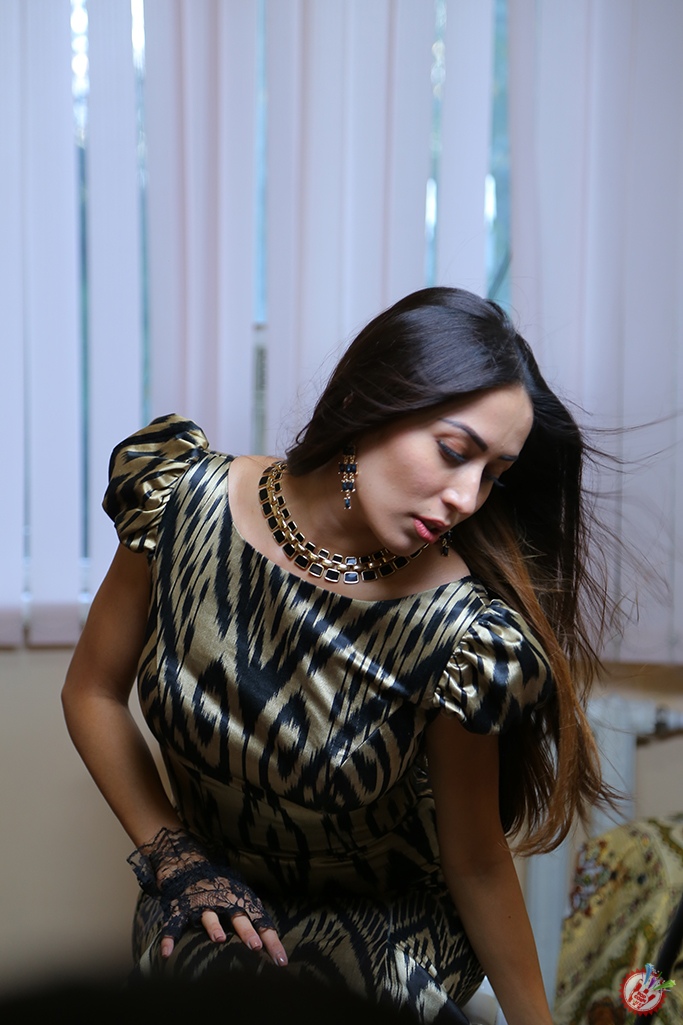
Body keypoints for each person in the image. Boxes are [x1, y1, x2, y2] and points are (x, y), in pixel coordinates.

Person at [62, 287, 614, 1025]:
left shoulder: (461, 633)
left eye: (491, 475)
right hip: (210, 911)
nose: (466, 496)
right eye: (454, 452)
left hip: (386, 942)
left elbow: (476, 859)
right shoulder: (180, 502)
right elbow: (92, 693)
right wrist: (176, 857)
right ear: (370, 399)